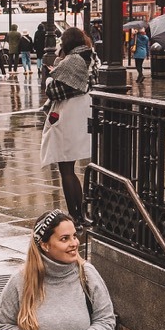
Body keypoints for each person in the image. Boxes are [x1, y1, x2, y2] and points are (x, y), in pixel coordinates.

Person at [40, 27, 99, 226]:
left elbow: (54, 91)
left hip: (68, 116)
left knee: (66, 168)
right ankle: (80, 214)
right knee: (70, 167)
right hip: (82, 114)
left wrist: (50, 76)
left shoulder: (72, 61)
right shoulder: (90, 57)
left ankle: (75, 215)